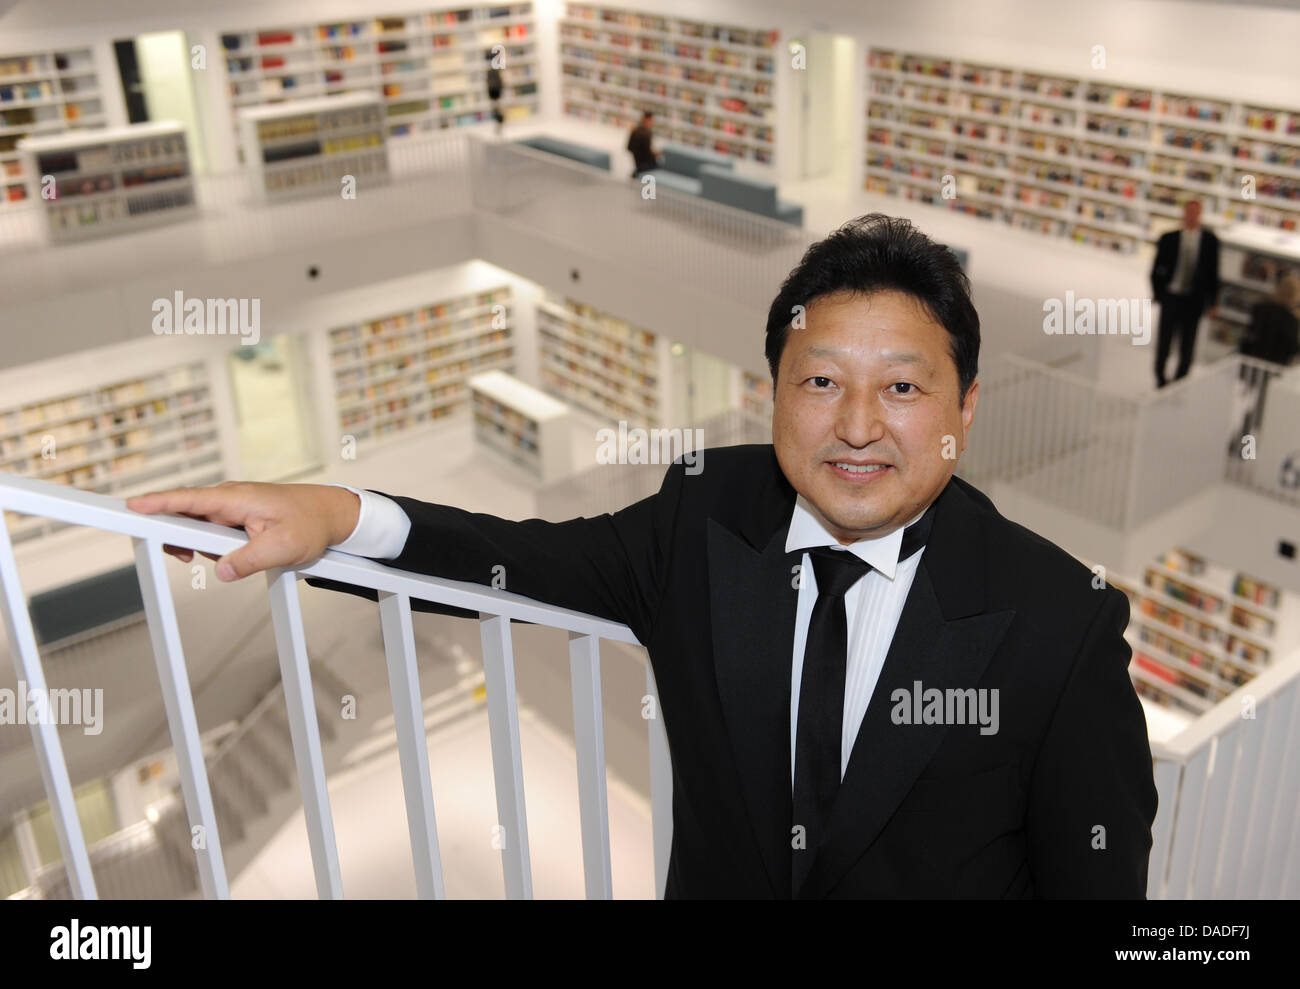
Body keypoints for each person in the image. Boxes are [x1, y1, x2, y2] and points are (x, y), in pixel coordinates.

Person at [129, 214, 1158, 899]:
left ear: (964, 409)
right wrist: (337, 515)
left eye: (901, 387)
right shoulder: (705, 516)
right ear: (772, 392)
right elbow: (516, 561)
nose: (855, 425)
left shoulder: (1061, 624)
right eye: (818, 382)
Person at [1150, 198, 1220, 388]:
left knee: (1187, 343)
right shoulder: (1168, 238)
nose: (1191, 216)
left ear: (1200, 215)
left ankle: (1180, 380)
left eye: (1195, 212)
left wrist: (1212, 302)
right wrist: (1158, 294)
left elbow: (1214, 274)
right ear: (1184, 213)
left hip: (1193, 300)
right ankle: (1160, 377)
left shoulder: (1210, 241)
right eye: (1188, 212)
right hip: (1171, 297)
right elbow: (1156, 269)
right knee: (1165, 340)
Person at [1234, 270, 1300, 439]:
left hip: (1252, 364)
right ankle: (1246, 446)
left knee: (1251, 407)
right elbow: (1292, 347)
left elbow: (1249, 336)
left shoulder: (1261, 309)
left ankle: (1241, 444)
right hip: (1273, 370)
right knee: (1259, 411)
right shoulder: (1291, 320)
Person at [627, 110, 660, 178]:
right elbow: (647, 152)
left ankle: (637, 172)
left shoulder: (635, 130)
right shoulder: (647, 133)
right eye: (652, 120)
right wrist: (655, 154)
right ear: (648, 120)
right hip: (645, 163)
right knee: (660, 166)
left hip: (637, 161)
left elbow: (628, 147)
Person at [484, 49, 504, 135]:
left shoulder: (493, 70)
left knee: (497, 109)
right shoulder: (494, 70)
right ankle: (498, 125)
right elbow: (497, 82)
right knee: (496, 109)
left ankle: (498, 125)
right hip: (495, 92)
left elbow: (496, 82)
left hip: (495, 92)